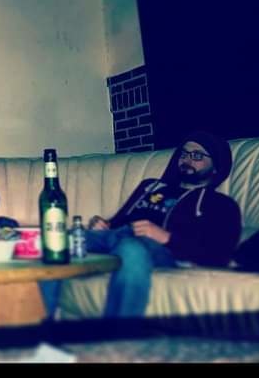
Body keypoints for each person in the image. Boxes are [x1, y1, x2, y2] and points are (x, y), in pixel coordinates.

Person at [80, 130, 242, 318]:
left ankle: (120, 333)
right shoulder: (150, 186)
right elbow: (119, 221)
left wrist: (166, 237)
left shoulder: (221, 204)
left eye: (197, 155)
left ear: (216, 166)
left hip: (163, 250)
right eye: (184, 153)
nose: (187, 159)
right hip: (118, 236)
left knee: (131, 247)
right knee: (59, 241)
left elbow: (219, 254)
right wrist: (104, 225)